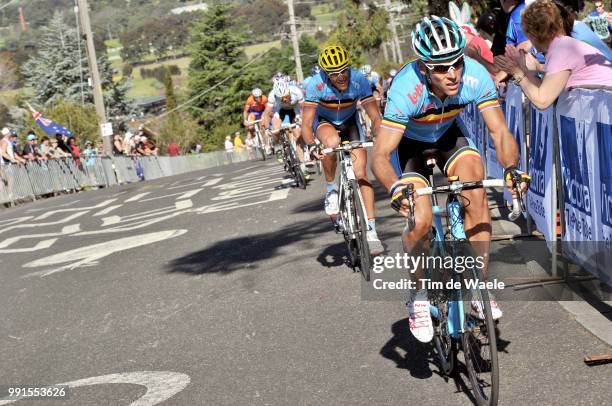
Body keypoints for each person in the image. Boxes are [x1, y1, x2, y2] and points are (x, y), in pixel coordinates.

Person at [372, 16, 529, 343]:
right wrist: (396, 187)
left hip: (449, 136)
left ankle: (478, 286)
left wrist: (512, 168)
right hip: (411, 146)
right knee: (421, 220)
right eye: (441, 68)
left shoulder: (474, 76)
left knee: (476, 189)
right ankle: (417, 297)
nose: (452, 73)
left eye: (456, 63)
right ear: (425, 68)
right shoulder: (405, 91)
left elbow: (499, 131)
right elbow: (380, 156)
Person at [302, 45, 384, 255]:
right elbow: (307, 122)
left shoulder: (359, 80)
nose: (341, 76)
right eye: (334, 74)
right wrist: (311, 145)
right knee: (330, 144)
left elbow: (375, 115)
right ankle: (331, 188)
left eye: (344, 70)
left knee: (361, 174)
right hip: (325, 123)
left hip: (350, 123)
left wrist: (378, 132)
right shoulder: (315, 84)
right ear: (326, 74)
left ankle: (372, 231)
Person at [496, 0, 612, 110]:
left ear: (533, 33)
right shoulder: (560, 45)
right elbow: (545, 90)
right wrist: (525, 71)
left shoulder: (561, 49)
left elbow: (543, 101)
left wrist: (516, 72)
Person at [262, 79, 306, 170]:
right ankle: (278, 147)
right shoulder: (272, 95)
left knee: (298, 135)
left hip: (295, 110)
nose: (285, 99)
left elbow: (304, 108)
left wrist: (301, 119)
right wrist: (266, 129)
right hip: (280, 111)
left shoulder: (296, 91)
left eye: (286, 96)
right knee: (276, 129)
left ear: (289, 91)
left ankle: (303, 165)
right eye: (282, 98)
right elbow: (266, 114)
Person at [243, 88, 269, 153]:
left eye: (260, 97)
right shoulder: (249, 100)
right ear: (253, 97)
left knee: (262, 129)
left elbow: (267, 108)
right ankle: (253, 137)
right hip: (253, 113)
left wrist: (267, 116)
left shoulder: (264, 98)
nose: (258, 99)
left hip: (262, 112)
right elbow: (245, 111)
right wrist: (245, 120)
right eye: (256, 97)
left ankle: (266, 145)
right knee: (250, 126)